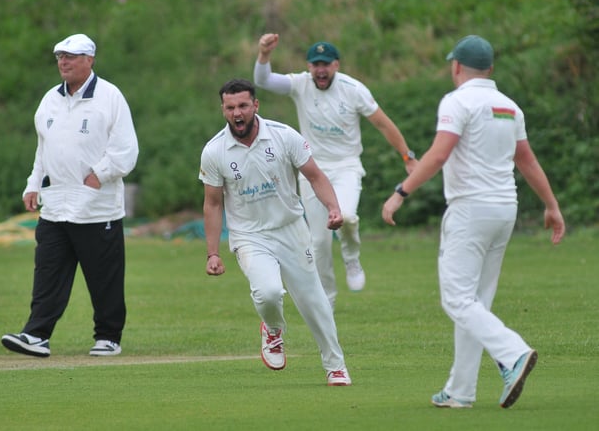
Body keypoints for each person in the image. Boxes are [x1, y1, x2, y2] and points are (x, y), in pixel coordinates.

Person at [382, 35, 565, 408]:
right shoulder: (509, 106)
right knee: (475, 301)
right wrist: (551, 205)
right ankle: (460, 391)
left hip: (470, 210)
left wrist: (401, 192)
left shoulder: (457, 100)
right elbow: (526, 161)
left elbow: (438, 154)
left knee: (458, 300)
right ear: (491, 69)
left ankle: (512, 353)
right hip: (504, 211)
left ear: (457, 67)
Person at [200, 78, 351, 386]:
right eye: (230, 107)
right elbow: (213, 204)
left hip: (292, 229)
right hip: (249, 235)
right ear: (223, 110)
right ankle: (272, 329)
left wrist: (333, 208)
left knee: (314, 301)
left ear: (256, 105)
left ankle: (335, 366)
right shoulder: (214, 151)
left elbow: (315, 176)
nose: (237, 113)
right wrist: (213, 253)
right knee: (268, 292)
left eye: (243, 105)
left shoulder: (284, 136)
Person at [254, 33, 417, 307]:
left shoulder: (353, 90)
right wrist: (264, 54)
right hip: (312, 170)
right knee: (318, 242)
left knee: (348, 217)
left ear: (336, 66)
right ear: (308, 67)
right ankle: (326, 300)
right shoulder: (300, 84)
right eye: (315, 64)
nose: (320, 69)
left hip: (346, 168)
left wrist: (407, 156)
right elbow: (263, 80)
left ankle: (352, 258)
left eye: (326, 64)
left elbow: (383, 124)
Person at [2, 33, 139, 358]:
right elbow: (43, 148)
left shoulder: (110, 97)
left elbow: (126, 151)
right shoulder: (50, 99)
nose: (63, 62)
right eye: (60, 56)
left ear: (89, 60)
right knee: (47, 274)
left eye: (71, 56)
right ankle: (36, 335)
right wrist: (32, 184)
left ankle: (108, 337)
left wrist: (99, 174)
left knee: (104, 279)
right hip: (54, 207)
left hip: (97, 209)